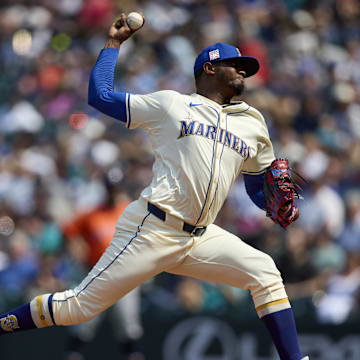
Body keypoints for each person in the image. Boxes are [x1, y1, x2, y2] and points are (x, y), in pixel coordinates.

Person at [0, 13, 309, 360]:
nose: (242, 72)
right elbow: (99, 96)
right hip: (153, 229)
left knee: (265, 272)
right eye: (234, 64)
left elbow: (256, 185)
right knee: (79, 308)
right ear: (208, 69)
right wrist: (113, 43)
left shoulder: (252, 122)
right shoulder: (172, 104)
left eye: (244, 68)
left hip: (201, 237)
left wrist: (272, 205)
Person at [62, 176, 144, 360]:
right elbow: (68, 230)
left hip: (124, 275)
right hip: (96, 274)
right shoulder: (92, 213)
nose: (112, 191)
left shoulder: (131, 210)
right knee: (84, 322)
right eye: (109, 187)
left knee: (128, 324)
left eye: (115, 188)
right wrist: (76, 247)